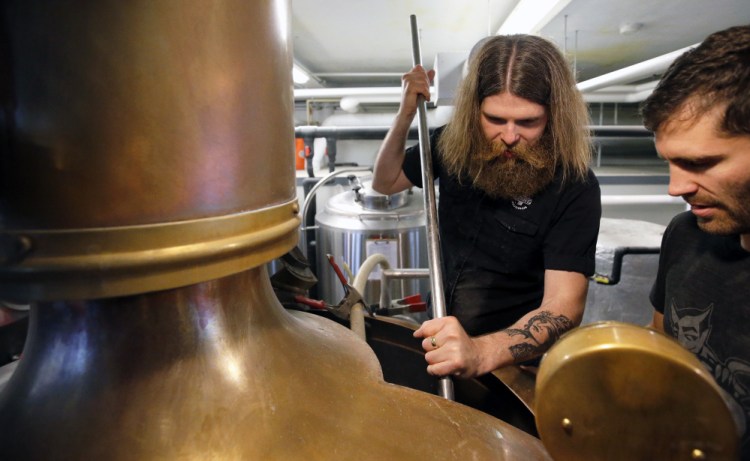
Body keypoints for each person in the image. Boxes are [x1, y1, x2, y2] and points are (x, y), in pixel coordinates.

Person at [371, 34, 601, 379]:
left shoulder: (574, 186)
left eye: (527, 122)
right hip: (441, 339)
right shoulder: (451, 146)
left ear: (555, 116)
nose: (509, 136)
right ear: (473, 109)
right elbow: (384, 182)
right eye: (495, 119)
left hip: (516, 362)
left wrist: (481, 352)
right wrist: (405, 113)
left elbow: (563, 306)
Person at [643, 24, 750, 458]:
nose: (675, 188)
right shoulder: (687, 236)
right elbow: (659, 349)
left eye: (700, 163)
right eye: (670, 163)